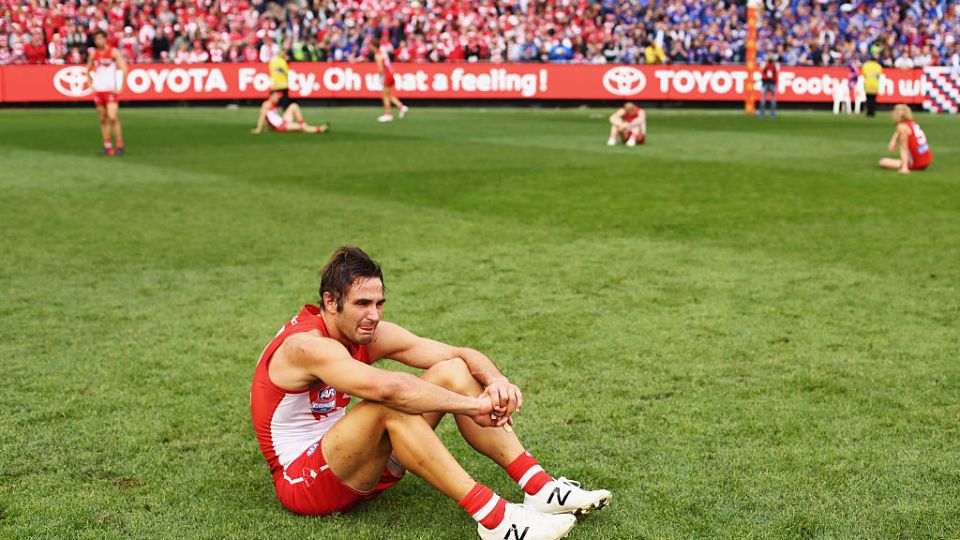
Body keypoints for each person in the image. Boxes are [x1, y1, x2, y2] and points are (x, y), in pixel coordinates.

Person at [251, 247, 611, 540]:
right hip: (305, 484)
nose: (373, 315)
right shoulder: (307, 347)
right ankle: (496, 520)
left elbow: (459, 354)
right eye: (362, 304)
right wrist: (473, 406)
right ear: (331, 302)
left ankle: (538, 486)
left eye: (379, 303)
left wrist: (496, 380)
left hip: (356, 463)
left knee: (452, 370)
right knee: (387, 405)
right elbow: (388, 388)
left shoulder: (364, 332)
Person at [86, 29, 127, 156]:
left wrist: (121, 86)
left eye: (100, 38)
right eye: (96, 39)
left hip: (110, 90)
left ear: (105, 39)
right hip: (99, 90)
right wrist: (90, 84)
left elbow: (124, 68)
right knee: (103, 119)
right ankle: (107, 146)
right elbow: (87, 69)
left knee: (113, 117)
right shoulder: (94, 54)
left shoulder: (113, 52)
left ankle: (120, 145)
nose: (98, 41)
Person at [878, 104, 932, 174]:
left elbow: (904, 148)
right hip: (926, 159)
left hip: (917, 162)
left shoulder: (902, 127)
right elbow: (899, 132)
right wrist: (893, 141)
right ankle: (906, 163)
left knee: (882, 162)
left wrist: (904, 167)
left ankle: (905, 166)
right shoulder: (912, 123)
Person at [251, 91, 328, 134]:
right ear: (271, 96)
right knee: (301, 128)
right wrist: (259, 128)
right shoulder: (266, 105)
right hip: (281, 126)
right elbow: (262, 116)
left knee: (293, 105)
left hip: (282, 121)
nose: (278, 98)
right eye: (276, 96)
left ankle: (302, 123)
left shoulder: (272, 104)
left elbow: (270, 117)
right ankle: (319, 129)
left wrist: (268, 127)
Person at [373, 42, 408, 123]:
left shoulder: (377, 55)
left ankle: (388, 114)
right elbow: (388, 64)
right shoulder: (383, 53)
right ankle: (401, 106)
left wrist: (380, 77)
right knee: (388, 94)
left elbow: (381, 69)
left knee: (385, 95)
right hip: (390, 74)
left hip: (386, 75)